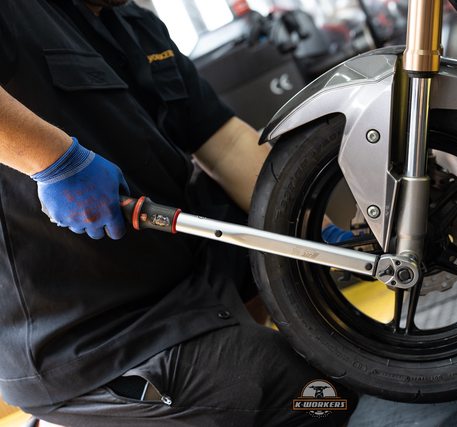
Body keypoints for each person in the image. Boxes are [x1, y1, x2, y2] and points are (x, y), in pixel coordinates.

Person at [0, 0, 358, 425]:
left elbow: (224, 143)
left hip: (181, 278)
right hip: (96, 338)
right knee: (318, 403)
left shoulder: (134, 23)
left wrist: (313, 229)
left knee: (342, 364)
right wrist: (53, 162)